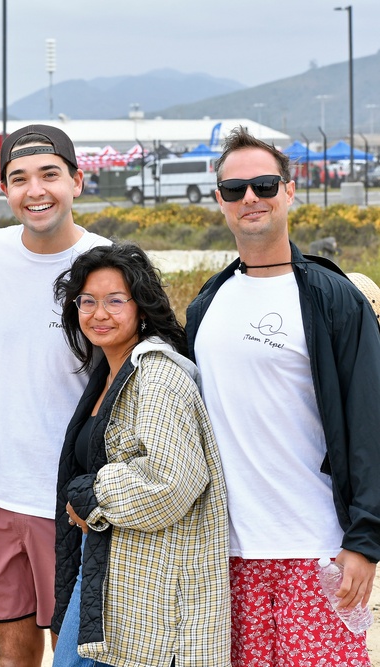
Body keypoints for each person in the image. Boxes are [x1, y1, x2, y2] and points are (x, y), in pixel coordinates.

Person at [186, 126, 380, 667]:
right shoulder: (207, 304)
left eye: (265, 184)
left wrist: (365, 541)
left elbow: (370, 420)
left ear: (290, 192)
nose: (250, 198)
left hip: (317, 548)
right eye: (234, 189)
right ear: (220, 201)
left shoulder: (333, 298)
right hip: (225, 556)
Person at [0, 124, 108, 665]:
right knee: (11, 656)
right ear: (5, 191)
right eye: (19, 179)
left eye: (49, 175)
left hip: (71, 502)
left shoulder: (110, 262)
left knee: (73, 654)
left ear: (77, 182)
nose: (35, 190)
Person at [51, 242, 229, 667]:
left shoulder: (157, 376)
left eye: (115, 301)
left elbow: (171, 483)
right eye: (87, 301)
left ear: (142, 308)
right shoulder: (108, 371)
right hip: (105, 573)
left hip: (150, 590)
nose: (99, 313)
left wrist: (91, 497)